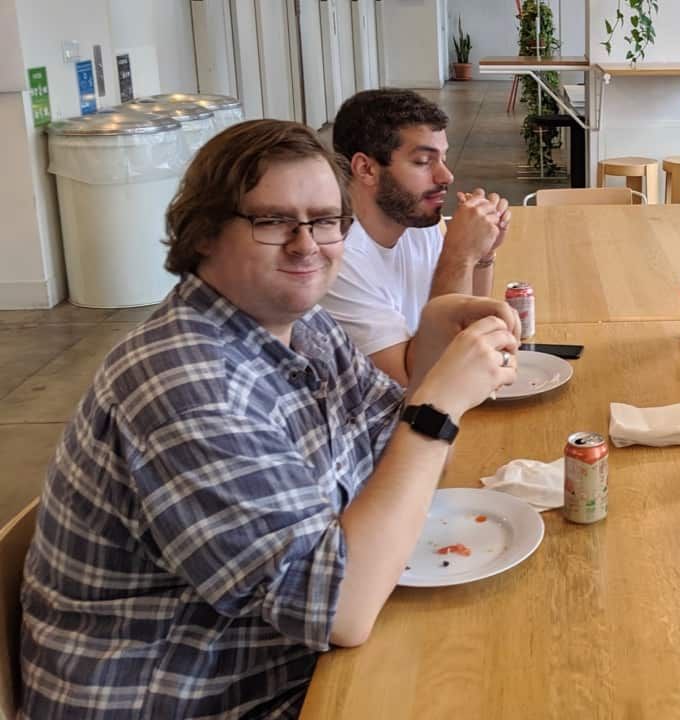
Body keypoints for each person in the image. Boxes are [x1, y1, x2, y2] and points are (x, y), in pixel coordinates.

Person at [20, 119, 520, 719]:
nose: (306, 244)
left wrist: (434, 342)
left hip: (279, 660)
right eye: (273, 221)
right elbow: (341, 610)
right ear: (204, 232)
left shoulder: (300, 325)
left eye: (326, 220)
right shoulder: (186, 385)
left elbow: (394, 451)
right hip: (197, 696)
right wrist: (437, 406)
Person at [322, 88, 513, 386]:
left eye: (443, 158)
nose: (446, 176)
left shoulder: (414, 221)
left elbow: (468, 324)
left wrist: (482, 255)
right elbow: (421, 385)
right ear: (366, 169)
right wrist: (459, 253)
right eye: (424, 161)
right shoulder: (337, 260)